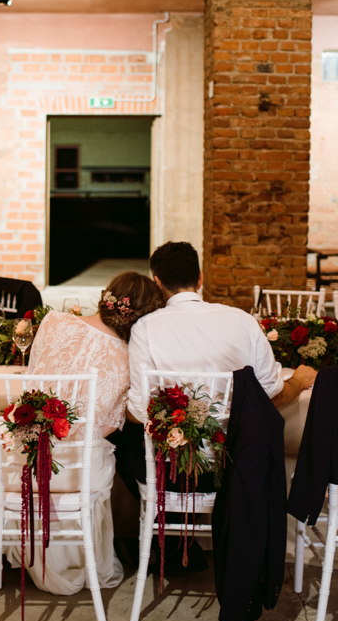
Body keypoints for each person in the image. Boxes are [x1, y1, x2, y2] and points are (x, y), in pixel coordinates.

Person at [0, 271, 163, 598]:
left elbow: (33, 381)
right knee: (99, 449)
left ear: (107, 295)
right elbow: (109, 426)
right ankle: (69, 560)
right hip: (76, 473)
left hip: (20, 458)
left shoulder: (54, 322)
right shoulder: (130, 359)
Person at [116, 241, 317, 571]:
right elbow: (270, 395)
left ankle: (169, 541)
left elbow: (139, 413)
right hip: (237, 467)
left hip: (174, 472)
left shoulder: (146, 329)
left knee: (122, 439)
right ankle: (180, 545)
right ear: (201, 278)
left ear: (157, 282)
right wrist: (299, 380)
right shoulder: (241, 321)